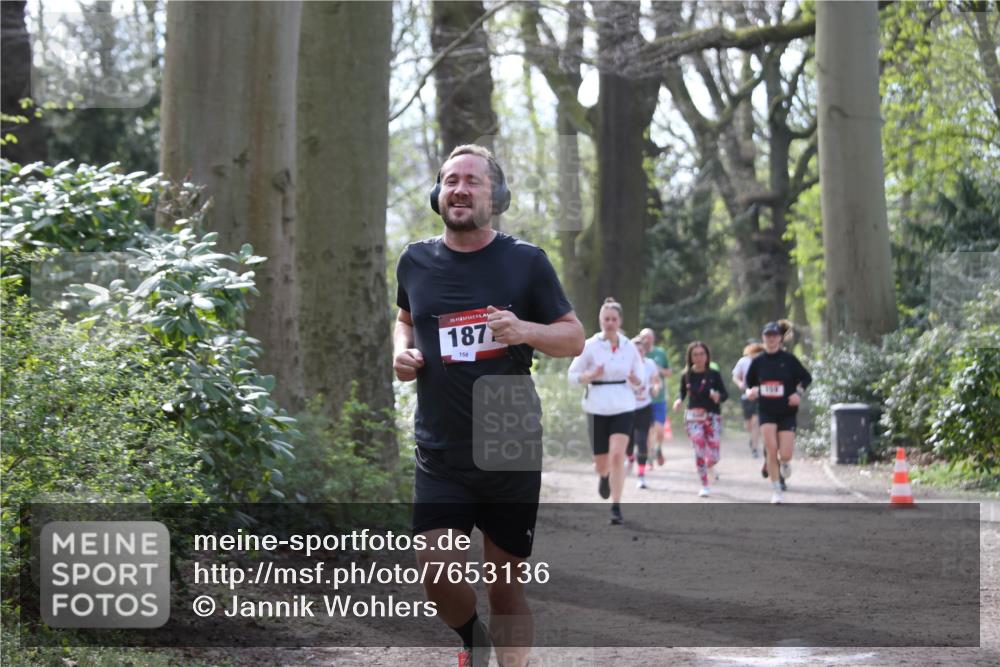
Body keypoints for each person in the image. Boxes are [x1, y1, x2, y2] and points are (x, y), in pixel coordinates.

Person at [394, 144, 585, 667]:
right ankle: (472, 643)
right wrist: (401, 351)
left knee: (505, 587)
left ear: (494, 196)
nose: (460, 188)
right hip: (441, 442)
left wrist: (523, 329)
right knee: (436, 570)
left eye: (472, 180)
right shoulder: (414, 259)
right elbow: (407, 317)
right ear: (439, 193)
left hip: (509, 438)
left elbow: (574, 338)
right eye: (451, 179)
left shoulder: (525, 261)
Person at [567, 297, 644, 525]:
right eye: (606, 319)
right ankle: (604, 475)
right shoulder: (590, 346)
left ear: (620, 321)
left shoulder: (629, 346)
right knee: (601, 462)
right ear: (600, 321)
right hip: (596, 406)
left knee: (618, 454)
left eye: (613, 319)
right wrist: (589, 376)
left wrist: (634, 378)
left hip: (623, 404)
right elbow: (571, 377)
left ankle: (616, 505)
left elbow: (640, 379)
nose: (609, 323)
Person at [744, 320, 813, 504]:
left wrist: (798, 393)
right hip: (766, 411)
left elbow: (806, 378)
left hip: (787, 411)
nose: (771, 338)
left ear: (780, 338)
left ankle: (785, 463)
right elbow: (749, 383)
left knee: (786, 453)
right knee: (771, 449)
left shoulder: (789, 360)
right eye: (768, 335)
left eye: (774, 335)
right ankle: (776, 490)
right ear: (763, 338)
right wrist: (750, 392)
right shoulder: (758, 362)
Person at [672, 341, 728, 497]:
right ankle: (704, 484)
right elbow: (681, 392)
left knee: (715, 455)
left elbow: (725, 394)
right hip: (693, 417)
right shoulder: (686, 375)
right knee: (698, 446)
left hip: (712, 416)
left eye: (702, 354)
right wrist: (678, 401)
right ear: (690, 357)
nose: (699, 357)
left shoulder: (714, 374)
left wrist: (718, 396)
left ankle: (710, 465)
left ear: (707, 356)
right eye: (695, 354)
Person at [628, 334, 662, 489]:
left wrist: (656, 387)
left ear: (644, 352)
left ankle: (641, 476)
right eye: (635, 351)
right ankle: (629, 457)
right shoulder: (625, 365)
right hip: (626, 408)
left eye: (641, 351)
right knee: (628, 443)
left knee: (642, 440)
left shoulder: (650, 364)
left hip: (644, 407)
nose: (638, 353)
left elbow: (656, 380)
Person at [639, 328, 672, 468]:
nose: (647, 339)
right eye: (644, 337)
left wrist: (658, 370)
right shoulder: (637, 353)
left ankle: (658, 448)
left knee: (659, 429)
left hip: (659, 398)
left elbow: (669, 372)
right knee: (647, 431)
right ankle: (649, 456)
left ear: (653, 338)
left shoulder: (660, 353)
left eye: (649, 337)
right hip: (642, 399)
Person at [732, 341, 765, 459]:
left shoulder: (764, 361)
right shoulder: (743, 361)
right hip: (746, 395)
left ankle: (755, 448)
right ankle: (752, 438)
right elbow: (735, 376)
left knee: (756, 421)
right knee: (748, 424)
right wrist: (740, 384)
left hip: (761, 396)